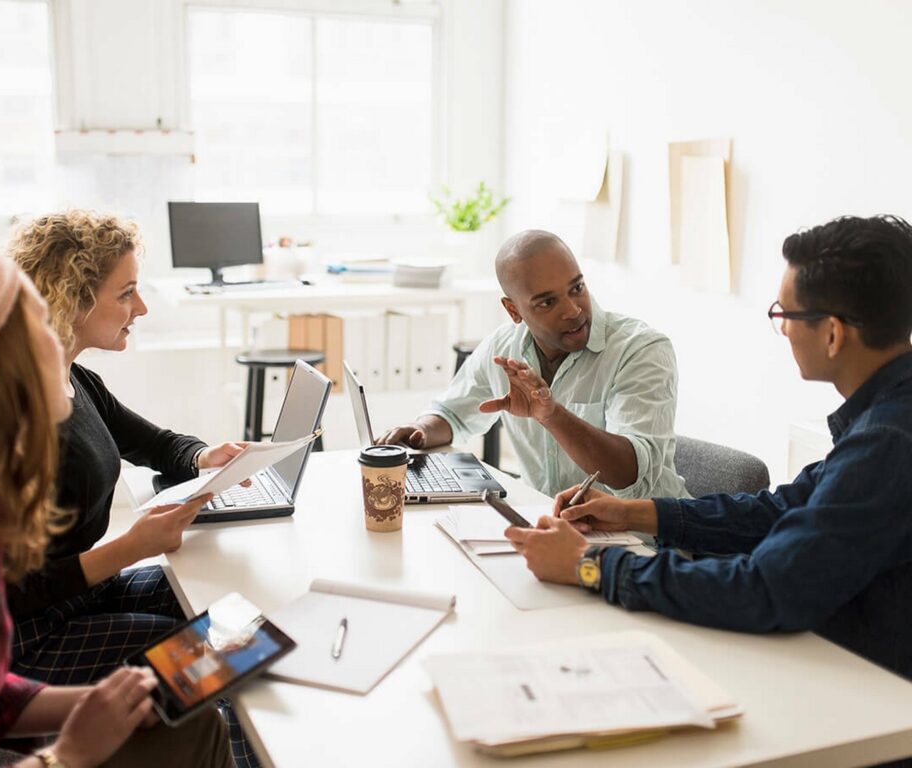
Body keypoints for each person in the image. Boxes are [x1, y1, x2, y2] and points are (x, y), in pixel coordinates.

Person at [506, 215, 912, 682]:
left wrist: (588, 565)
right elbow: (783, 510)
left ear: (834, 334)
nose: (782, 332)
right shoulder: (885, 420)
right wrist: (633, 513)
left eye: (783, 315)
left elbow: (764, 590)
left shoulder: (886, 444)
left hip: (870, 698)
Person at [0, 240, 231, 767]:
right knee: (202, 678)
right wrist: (67, 755)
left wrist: (94, 706)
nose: (53, 341)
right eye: (34, 326)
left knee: (208, 681)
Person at [4, 210, 247, 688]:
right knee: (218, 654)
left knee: (234, 614)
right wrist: (131, 547)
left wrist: (205, 457)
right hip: (26, 639)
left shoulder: (75, 380)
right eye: (125, 293)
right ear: (69, 298)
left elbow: (154, 443)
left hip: (80, 597)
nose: (141, 307)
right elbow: (8, 591)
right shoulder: (14, 415)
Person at [378, 229, 689, 499]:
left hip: (642, 546)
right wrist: (420, 430)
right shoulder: (503, 348)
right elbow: (452, 415)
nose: (572, 310)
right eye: (547, 302)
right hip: (554, 532)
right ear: (513, 310)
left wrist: (551, 414)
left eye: (577, 288)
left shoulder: (640, 350)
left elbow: (630, 477)